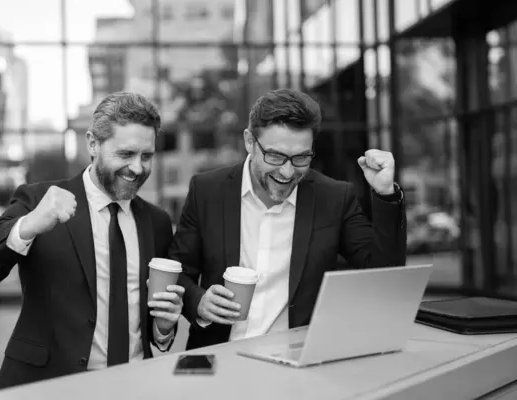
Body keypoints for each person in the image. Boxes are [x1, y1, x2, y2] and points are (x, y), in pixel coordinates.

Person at [0, 92, 184, 389]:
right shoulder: (39, 200)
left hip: (135, 385)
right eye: (125, 154)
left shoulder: (158, 222)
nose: (137, 168)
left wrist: (163, 328)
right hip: (48, 387)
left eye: (146, 156)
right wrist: (28, 225)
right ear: (92, 144)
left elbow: (150, 322)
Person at [169, 88, 406, 350]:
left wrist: (385, 194)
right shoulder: (206, 190)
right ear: (249, 141)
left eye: (301, 157)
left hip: (298, 361)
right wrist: (198, 301)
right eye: (275, 156)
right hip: (218, 355)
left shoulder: (334, 197)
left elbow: (386, 274)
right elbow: (178, 272)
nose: (287, 171)